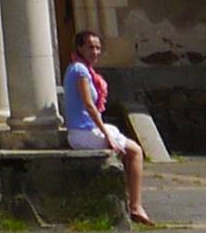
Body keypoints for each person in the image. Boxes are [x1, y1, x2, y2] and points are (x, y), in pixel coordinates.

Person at [59, 28, 153, 222]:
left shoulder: (80, 70)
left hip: (83, 131)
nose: (95, 52)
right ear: (79, 48)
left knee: (129, 149)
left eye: (98, 48)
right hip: (84, 132)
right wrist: (106, 134)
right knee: (135, 152)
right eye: (90, 47)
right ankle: (135, 205)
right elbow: (89, 105)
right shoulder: (79, 70)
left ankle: (130, 201)